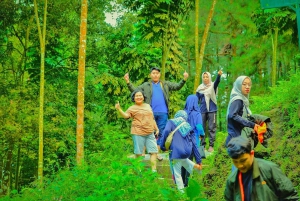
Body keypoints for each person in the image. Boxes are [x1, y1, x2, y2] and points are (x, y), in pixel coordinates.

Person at [124, 67, 189, 160]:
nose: (155, 75)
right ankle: (142, 152)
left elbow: (177, 87)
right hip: (149, 112)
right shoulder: (146, 85)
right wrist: (128, 82)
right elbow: (135, 91)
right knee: (147, 130)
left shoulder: (165, 84)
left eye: (157, 73)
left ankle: (157, 152)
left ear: (160, 75)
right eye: (153, 73)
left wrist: (184, 79)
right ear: (150, 75)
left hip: (163, 112)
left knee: (161, 132)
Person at [224, 136, 299, 201]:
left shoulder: (269, 170)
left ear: (252, 154)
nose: (240, 165)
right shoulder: (232, 180)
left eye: (243, 160)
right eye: (235, 162)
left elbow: (290, 197)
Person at [115, 90, 159, 172]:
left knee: (154, 151)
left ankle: (154, 171)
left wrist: (156, 128)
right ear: (134, 98)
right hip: (138, 132)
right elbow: (126, 116)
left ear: (143, 97)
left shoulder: (148, 106)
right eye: (136, 96)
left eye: (140, 95)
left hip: (150, 132)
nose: (139, 97)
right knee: (138, 153)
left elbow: (152, 118)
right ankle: (139, 171)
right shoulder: (132, 108)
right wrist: (119, 109)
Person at [159, 110, 202, 192]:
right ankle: (196, 167)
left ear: (176, 115)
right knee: (183, 160)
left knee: (177, 174)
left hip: (176, 151)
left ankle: (181, 194)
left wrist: (163, 146)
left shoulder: (171, 122)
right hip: (187, 152)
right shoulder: (189, 126)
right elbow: (195, 144)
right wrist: (198, 160)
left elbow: (166, 131)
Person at [225, 76, 261, 146]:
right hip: (235, 140)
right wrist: (252, 125)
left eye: (249, 84)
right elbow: (232, 115)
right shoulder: (238, 100)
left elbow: (241, 117)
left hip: (237, 139)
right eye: (244, 84)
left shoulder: (242, 100)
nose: (247, 87)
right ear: (238, 85)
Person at [196, 70, 222, 152]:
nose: (205, 78)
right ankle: (202, 145)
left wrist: (218, 75)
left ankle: (211, 146)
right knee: (201, 128)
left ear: (210, 78)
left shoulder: (213, 86)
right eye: (204, 77)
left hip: (212, 109)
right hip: (202, 110)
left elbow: (217, 82)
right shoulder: (199, 88)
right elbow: (197, 100)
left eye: (207, 77)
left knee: (212, 128)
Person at [181, 94, 205, 187]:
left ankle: (182, 182)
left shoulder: (183, 113)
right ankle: (187, 183)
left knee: (184, 161)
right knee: (190, 161)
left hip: (183, 139)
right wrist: (202, 134)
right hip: (193, 139)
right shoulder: (197, 113)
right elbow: (199, 126)